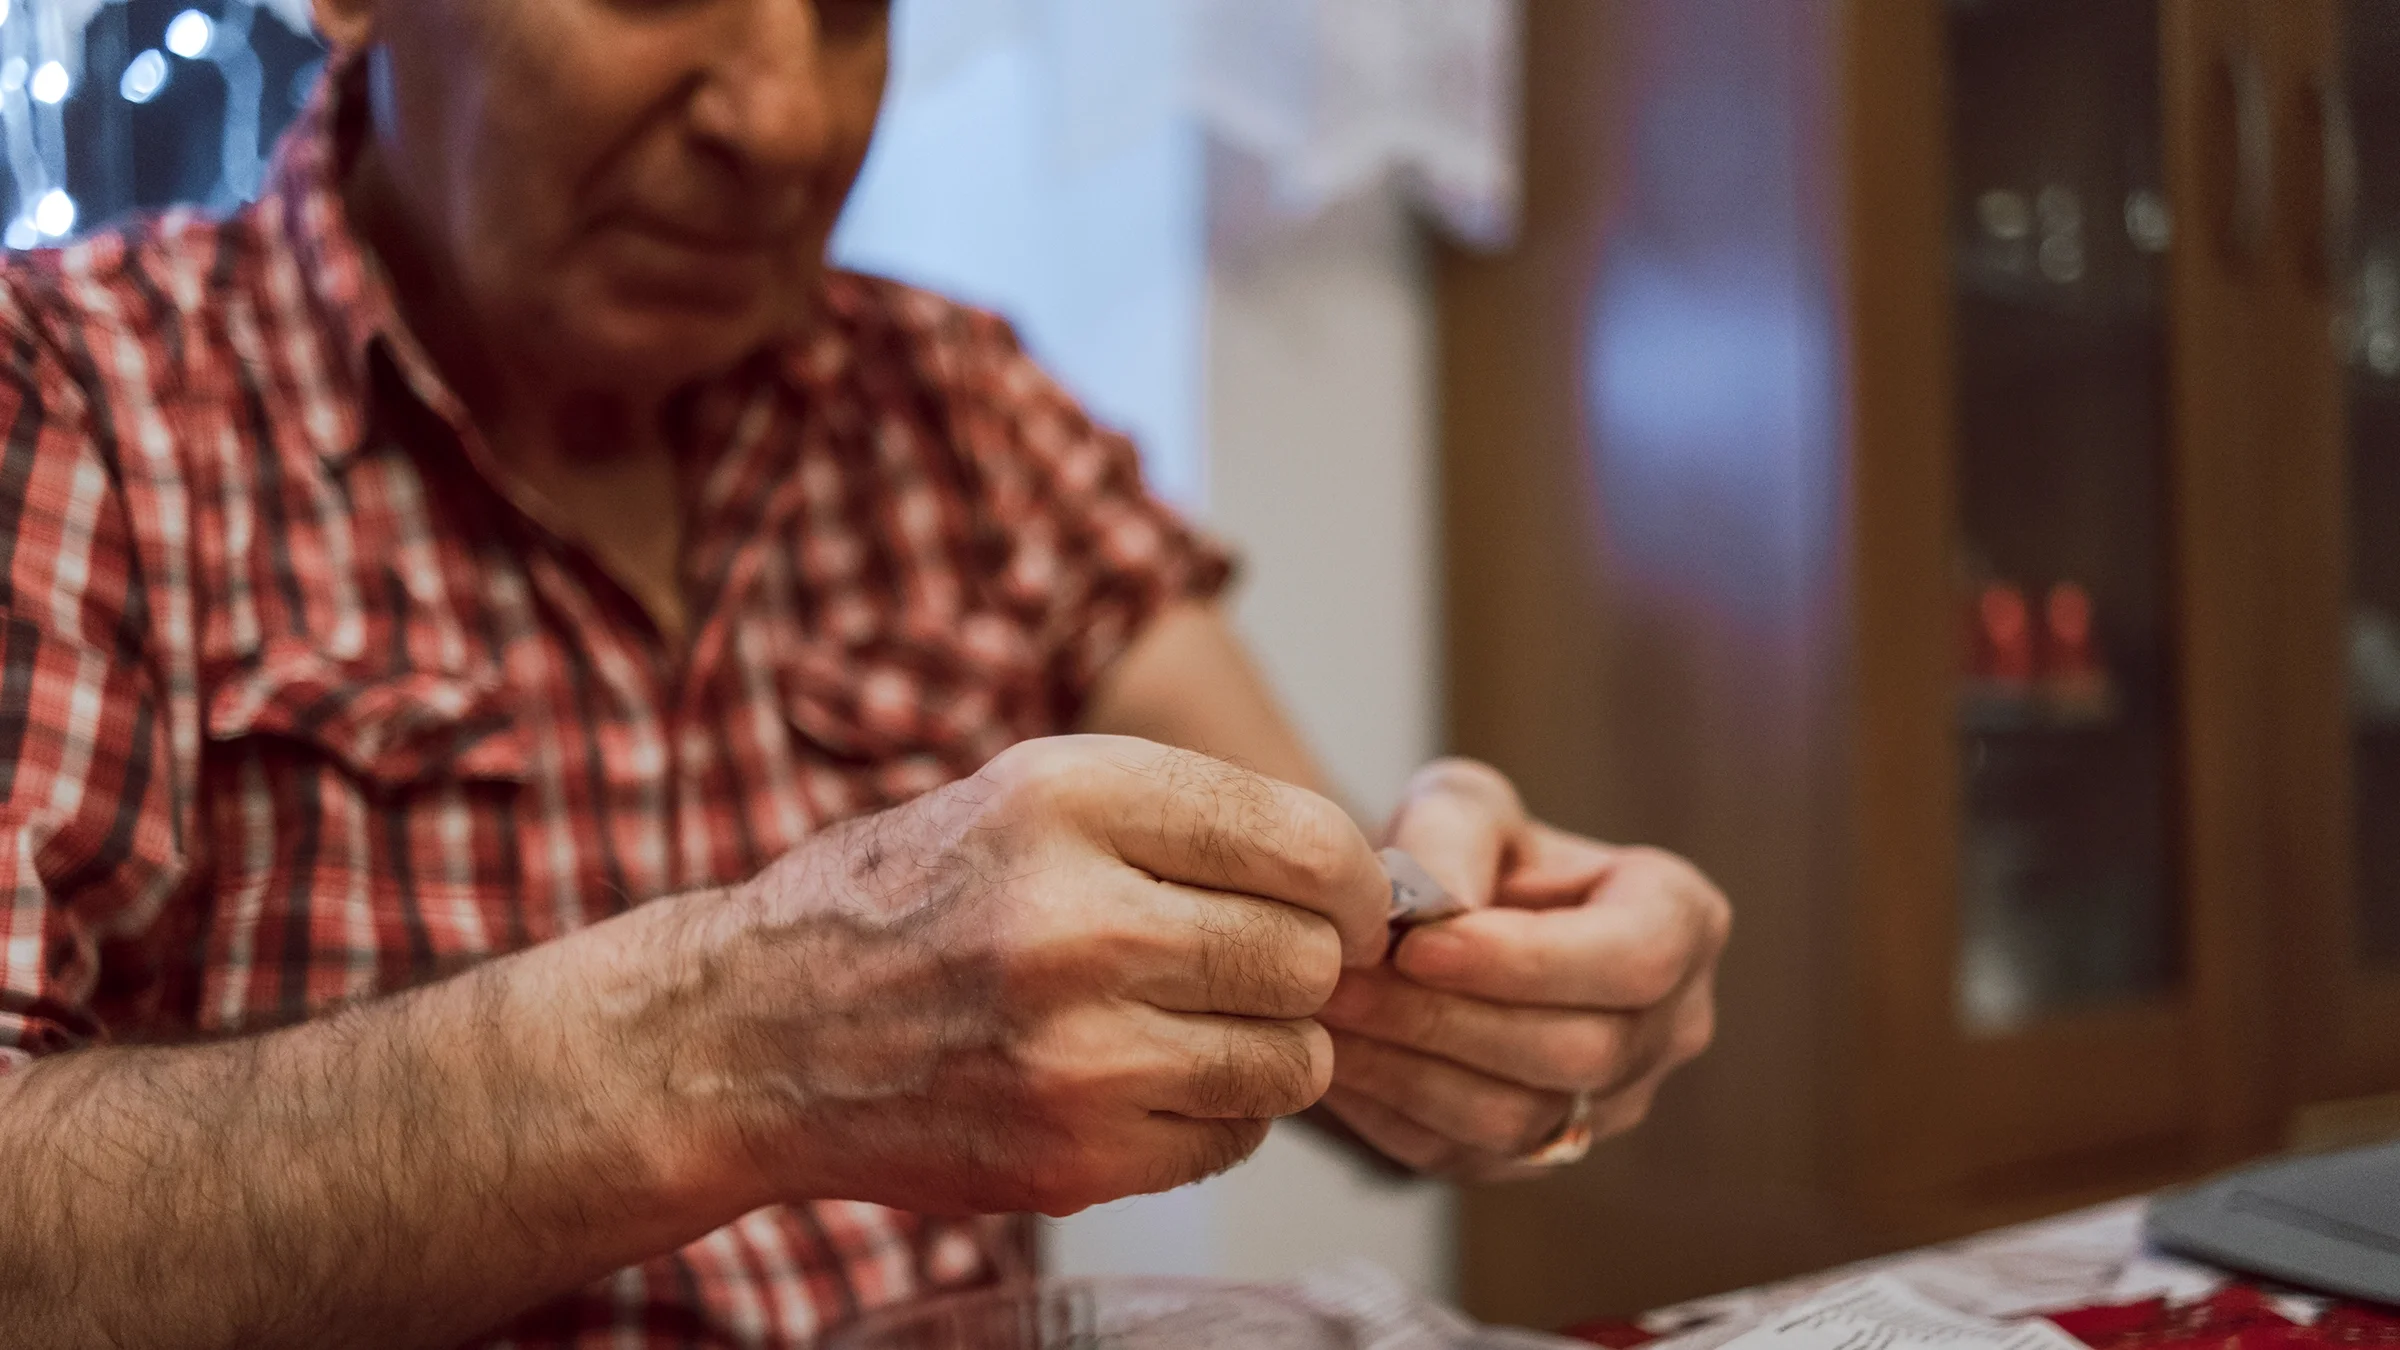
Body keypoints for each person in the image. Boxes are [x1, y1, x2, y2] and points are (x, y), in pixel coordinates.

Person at [0, 0, 1730, 1345]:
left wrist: (1489, 975)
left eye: (850, 9)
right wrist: (715, 1042)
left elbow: (1329, 969)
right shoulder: (75, 403)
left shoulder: (958, 406)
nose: (788, 119)